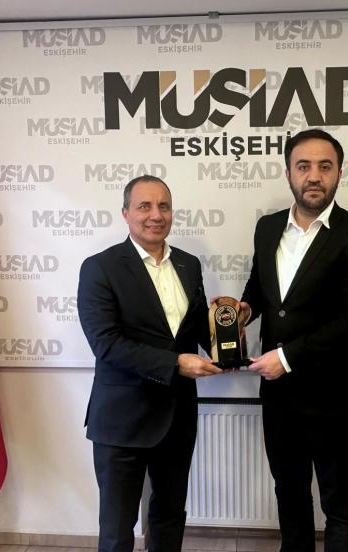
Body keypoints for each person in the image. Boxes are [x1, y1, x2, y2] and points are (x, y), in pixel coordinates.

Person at [240, 129, 348, 551]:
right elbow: (262, 287)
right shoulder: (267, 228)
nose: (314, 176)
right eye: (303, 166)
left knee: (339, 502)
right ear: (289, 173)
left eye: (325, 166)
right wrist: (245, 309)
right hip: (279, 396)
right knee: (289, 494)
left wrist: (285, 357)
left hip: (334, 393)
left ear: (339, 172)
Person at [77, 175, 222, 552]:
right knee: (117, 529)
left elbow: (195, 329)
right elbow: (106, 344)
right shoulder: (100, 267)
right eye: (145, 206)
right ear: (126, 213)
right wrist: (176, 364)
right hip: (122, 420)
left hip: (177, 416)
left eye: (164, 206)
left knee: (170, 516)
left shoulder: (188, 265)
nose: (156, 215)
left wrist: (227, 330)